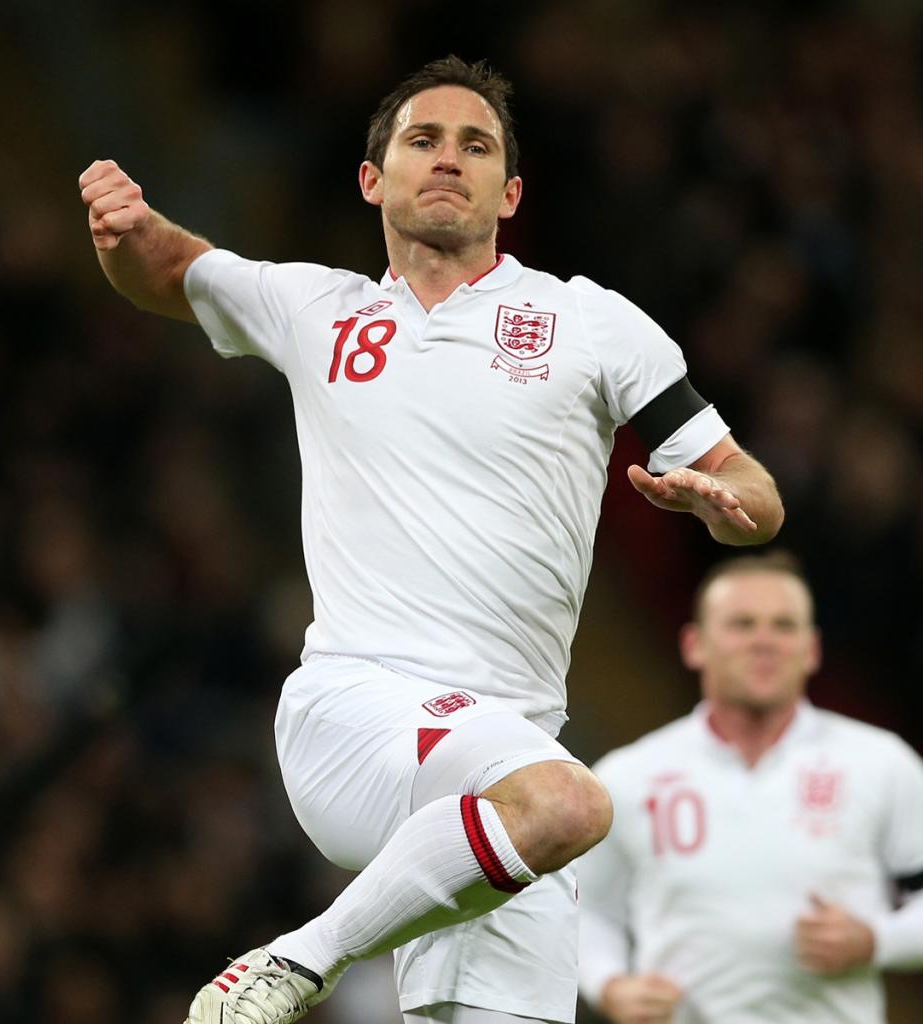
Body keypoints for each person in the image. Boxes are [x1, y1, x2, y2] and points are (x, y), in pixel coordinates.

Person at [79, 56, 782, 1024]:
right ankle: (293, 962)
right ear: (373, 179)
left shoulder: (591, 324)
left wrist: (724, 503)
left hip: (508, 755)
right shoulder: (319, 310)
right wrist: (124, 230)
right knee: (572, 805)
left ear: (510, 192)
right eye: (424, 140)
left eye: (476, 145)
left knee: (541, 839)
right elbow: (165, 266)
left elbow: (750, 485)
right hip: (357, 708)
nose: (449, 158)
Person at [575, 550, 923, 1024]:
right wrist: (610, 986)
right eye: (742, 624)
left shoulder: (881, 763)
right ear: (694, 645)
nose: (764, 641)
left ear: (812, 649)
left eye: (784, 625)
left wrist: (876, 940)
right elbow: (585, 909)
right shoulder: (629, 775)